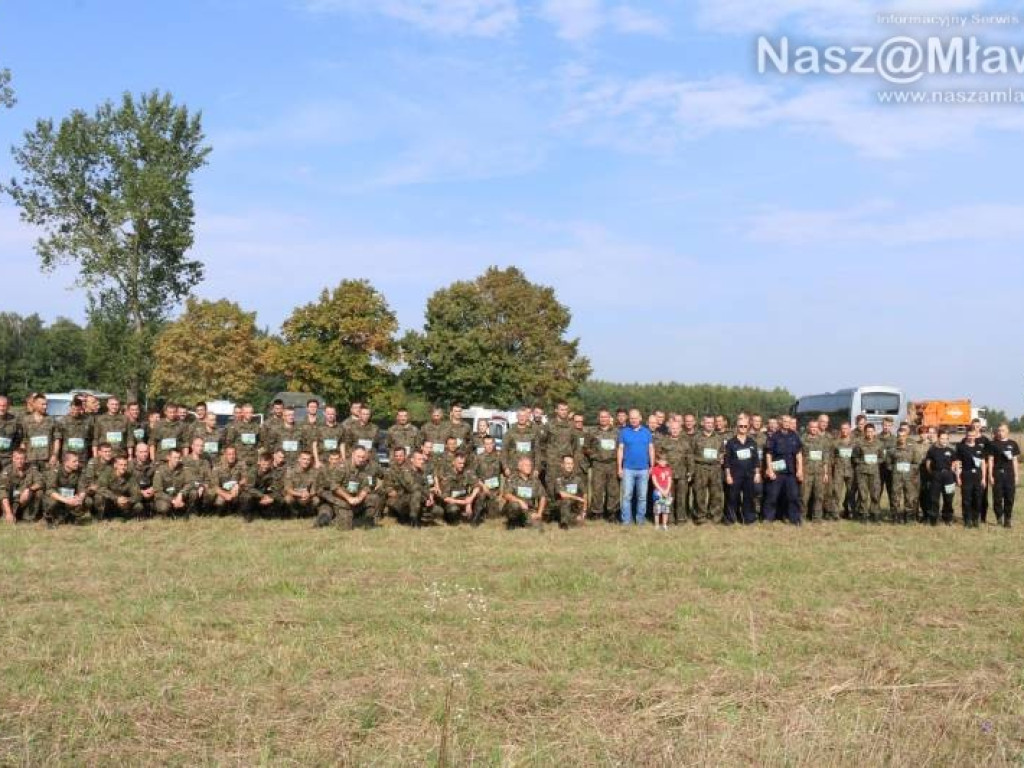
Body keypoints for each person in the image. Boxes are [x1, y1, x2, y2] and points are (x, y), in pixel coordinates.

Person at [763, 415, 803, 525]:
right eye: (784, 421)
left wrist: (800, 470)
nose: (786, 423)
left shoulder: (794, 436)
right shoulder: (774, 436)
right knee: (772, 495)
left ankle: (794, 518)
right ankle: (768, 518)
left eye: (788, 422)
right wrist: (770, 470)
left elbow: (798, 454)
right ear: (780, 422)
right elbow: (768, 454)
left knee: (793, 496)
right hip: (777, 471)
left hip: (791, 472)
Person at [617, 408, 654, 526]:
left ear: (640, 418)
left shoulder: (647, 432)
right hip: (628, 469)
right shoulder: (624, 432)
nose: (633, 420)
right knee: (627, 496)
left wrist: (652, 466)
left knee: (642, 497)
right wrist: (619, 467)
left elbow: (651, 449)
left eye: (635, 418)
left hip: (643, 469)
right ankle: (626, 520)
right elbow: (620, 449)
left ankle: (640, 520)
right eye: (631, 418)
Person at [724, 415, 761, 525]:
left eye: (745, 426)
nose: (743, 428)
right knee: (732, 498)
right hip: (735, 475)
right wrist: (728, 475)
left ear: (748, 427)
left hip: (749, 475)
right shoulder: (731, 443)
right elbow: (727, 461)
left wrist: (757, 473)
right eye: (741, 426)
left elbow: (756, 459)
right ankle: (731, 519)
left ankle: (749, 519)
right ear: (737, 427)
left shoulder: (752, 442)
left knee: (749, 498)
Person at [585, 409, 620, 522]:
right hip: (598, 465)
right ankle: (596, 512)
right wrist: (595, 455)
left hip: (612, 464)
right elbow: (586, 447)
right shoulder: (592, 432)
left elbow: (621, 447)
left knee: (613, 490)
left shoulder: (617, 432)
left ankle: (612, 512)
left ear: (610, 418)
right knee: (597, 489)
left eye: (606, 417)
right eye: (601, 417)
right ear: (598, 418)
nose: (603, 419)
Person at [691, 416, 724, 525]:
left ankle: (714, 516)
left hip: (715, 468)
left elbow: (722, 452)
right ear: (702, 423)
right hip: (700, 468)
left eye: (711, 422)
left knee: (716, 494)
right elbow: (690, 453)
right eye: (707, 422)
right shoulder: (696, 437)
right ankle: (700, 516)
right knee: (699, 493)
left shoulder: (719, 438)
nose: (709, 424)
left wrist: (721, 457)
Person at [987, 423, 1020, 528]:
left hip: (1009, 474)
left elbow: (1015, 460)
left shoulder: (1013, 444)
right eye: (999, 430)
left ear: (1008, 431)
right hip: (997, 474)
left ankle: (1008, 519)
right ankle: (999, 518)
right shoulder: (993, 444)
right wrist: (990, 475)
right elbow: (990, 460)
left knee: (1009, 498)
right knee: (997, 498)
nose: (1000, 433)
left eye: (1003, 430)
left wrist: (1016, 475)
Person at [502, 455, 547, 529]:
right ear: (519, 467)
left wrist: (539, 513)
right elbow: (506, 494)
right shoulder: (512, 479)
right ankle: (513, 523)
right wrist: (519, 501)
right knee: (514, 505)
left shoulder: (535, 480)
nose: (529, 467)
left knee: (538, 527)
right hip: (516, 508)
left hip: (529, 510)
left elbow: (543, 497)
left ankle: (523, 522)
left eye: (530, 465)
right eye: (526, 465)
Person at [956, 426, 987, 529]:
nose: (971, 437)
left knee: (977, 498)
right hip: (966, 475)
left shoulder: (979, 448)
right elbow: (958, 463)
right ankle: (967, 519)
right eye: (969, 435)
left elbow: (983, 463)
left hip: (977, 476)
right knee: (966, 499)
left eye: (973, 435)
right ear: (966, 435)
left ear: (975, 435)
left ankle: (975, 519)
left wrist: (983, 478)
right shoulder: (961, 447)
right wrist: (958, 477)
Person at [852, 424, 884, 523]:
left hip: (874, 473)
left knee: (875, 494)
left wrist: (875, 461)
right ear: (865, 432)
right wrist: (863, 461)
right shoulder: (859, 444)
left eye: (871, 431)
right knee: (863, 494)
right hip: (862, 473)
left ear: (874, 432)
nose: (869, 434)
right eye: (867, 431)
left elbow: (882, 458)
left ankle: (875, 514)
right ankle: (863, 514)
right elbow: (854, 458)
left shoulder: (879, 444)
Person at [0, 448, 42, 522]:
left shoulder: (31, 469)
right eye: (17, 458)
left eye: (22, 459)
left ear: (26, 459)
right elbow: (2, 491)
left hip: (23, 501)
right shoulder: (7, 471)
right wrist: (9, 513)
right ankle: (8, 514)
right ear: (13, 459)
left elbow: (41, 482)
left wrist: (30, 489)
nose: (19, 461)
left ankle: (28, 517)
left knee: (39, 491)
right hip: (10, 502)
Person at [925, 430, 957, 526]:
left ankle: (947, 518)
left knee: (948, 498)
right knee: (934, 498)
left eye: (946, 439)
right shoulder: (932, 450)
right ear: (938, 438)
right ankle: (933, 519)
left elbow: (955, 463)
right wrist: (934, 473)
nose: (944, 440)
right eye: (942, 438)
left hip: (948, 477)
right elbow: (928, 465)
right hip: (936, 476)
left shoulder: (951, 450)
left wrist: (952, 472)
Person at [554, 454, 587, 529]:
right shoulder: (558, 479)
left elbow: (585, 494)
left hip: (574, 506)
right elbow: (562, 494)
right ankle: (564, 523)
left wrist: (584, 510)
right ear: (562, 465)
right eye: (567, 464)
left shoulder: (578, 479)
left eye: (571, 464)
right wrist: (577, 498)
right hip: (562, 507)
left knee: (578, 523)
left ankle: (576, 518)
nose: (570, 466)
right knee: (566, 500)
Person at [650, 452, 673, 531]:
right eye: (661, 461)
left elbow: (670, 480)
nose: (663, 462)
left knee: (665, 510)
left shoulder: (668, 469)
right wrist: (661, 490)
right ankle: (656, 525)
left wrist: (667, 490)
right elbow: (654, 481)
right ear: (657, 461)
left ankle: (664, 525)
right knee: (657, 510)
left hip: (667, 493)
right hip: (658, 492)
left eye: (665, 461)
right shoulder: (655, 469)